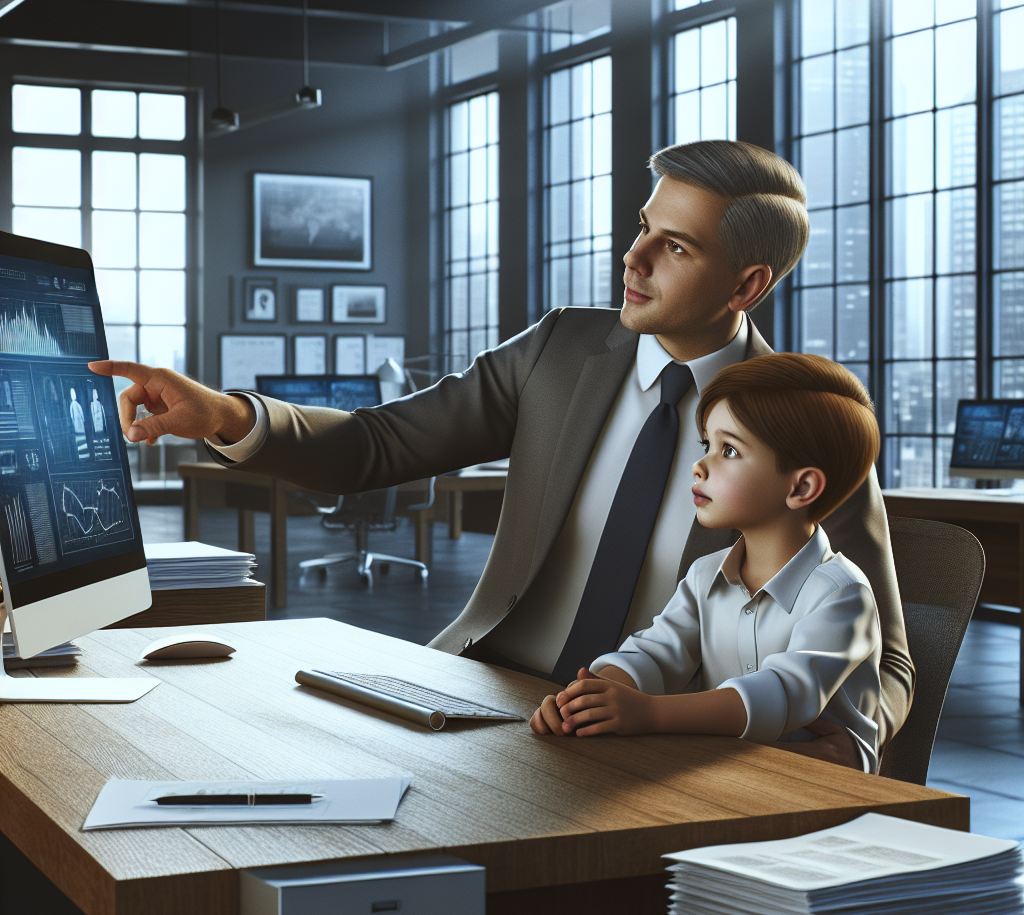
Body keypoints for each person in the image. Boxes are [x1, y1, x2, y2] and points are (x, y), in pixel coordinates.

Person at [88, 140, 913, 770]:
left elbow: (889, 665)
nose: (633, 260)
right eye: (641, 230)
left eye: (677, 248)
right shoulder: (559, 349)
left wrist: (843, 747)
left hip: (656, 746)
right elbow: (381, 443)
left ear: (745, 287)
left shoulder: (808, 426)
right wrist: (227, 414)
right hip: (481, 693)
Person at [531, 353, 883, 772]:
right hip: (724, 768)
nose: (699, 466)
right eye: (707, 445)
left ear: (802, 486)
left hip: (822, 785)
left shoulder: (841, 594)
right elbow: (658, 652)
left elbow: (784, 692)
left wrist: (650, 714)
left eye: (729, 450)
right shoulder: (705, 574)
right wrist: (592, 697)